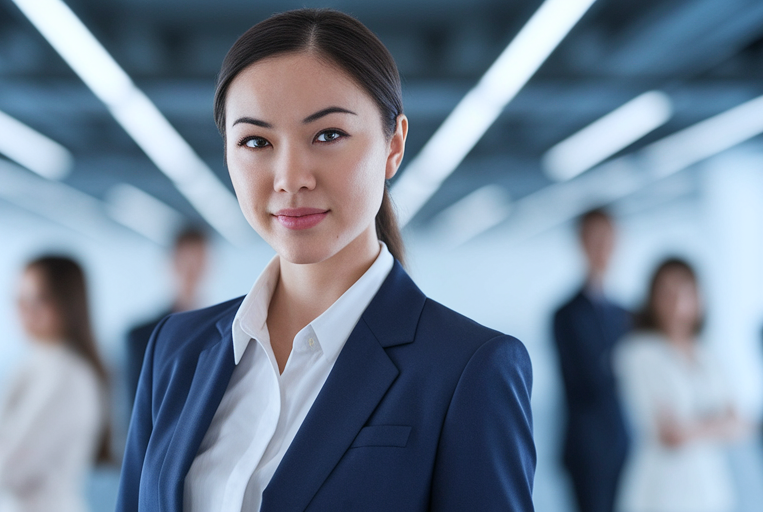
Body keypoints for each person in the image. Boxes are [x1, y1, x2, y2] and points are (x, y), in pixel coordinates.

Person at [116, 9, 534, 512]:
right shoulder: (175, 351)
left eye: (328, 134)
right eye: (256, 141)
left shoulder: (469, 369)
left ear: (394, 144)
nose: (291, 177)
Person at [0, 256, 111, 512]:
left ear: (66, 303)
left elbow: (3, 470)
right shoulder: (33, 363)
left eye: (38, 300)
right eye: (19, 300)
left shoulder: (67, 375)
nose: (23, 311)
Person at [615, 258, 747, 512]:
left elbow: (740, 425)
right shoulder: (637, 353)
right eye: (667, 292)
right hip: (662, 492)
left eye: (684, 290)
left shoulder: (708, 354)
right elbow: (671, 434)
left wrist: (694, 428)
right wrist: (718, 423)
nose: (676, 300)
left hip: (711, 490)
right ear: (652, 299)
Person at [552, 207, 632, 512]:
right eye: (595, 238)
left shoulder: (626, 313)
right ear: (581, 242)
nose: (603, 247)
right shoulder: (565, 315)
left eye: (609, 238)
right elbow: (582, 379)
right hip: (587, 447)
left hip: (624, 440)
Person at [126, 226, 210, 401]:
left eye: (198, 264)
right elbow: (135, 407)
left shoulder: (222, 332)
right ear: (171, 264)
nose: (192, 273)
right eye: (185, 264)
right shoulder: (141, 336)